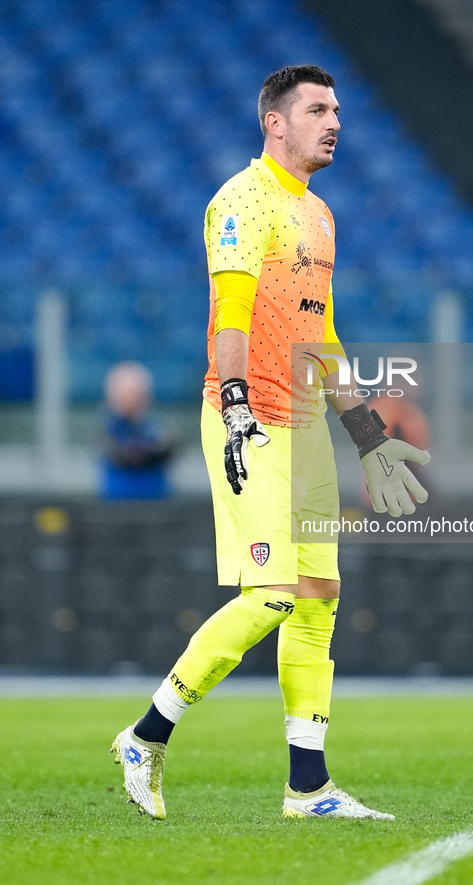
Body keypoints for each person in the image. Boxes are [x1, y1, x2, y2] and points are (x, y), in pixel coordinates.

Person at [111, 65, 431, 820]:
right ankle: (146, 734)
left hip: (305, 424)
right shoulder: (241, 201)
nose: (335, 121)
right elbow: (231, 314)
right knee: (272, 594)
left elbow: (319, 334)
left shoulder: (318, 216)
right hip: (250, 418)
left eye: (339, 109)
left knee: (318, 596)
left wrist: (365, 434)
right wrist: (231, 405)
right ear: (275, 123)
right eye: (318, 109)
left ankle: (308, 787)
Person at [99, 361, 178, 500]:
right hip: (116, 500)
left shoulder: (155, 424)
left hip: (156, 499)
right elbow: (116, 453)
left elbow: (169, 447)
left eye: (135, 393)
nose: (131, 399)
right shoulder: (108, 426)